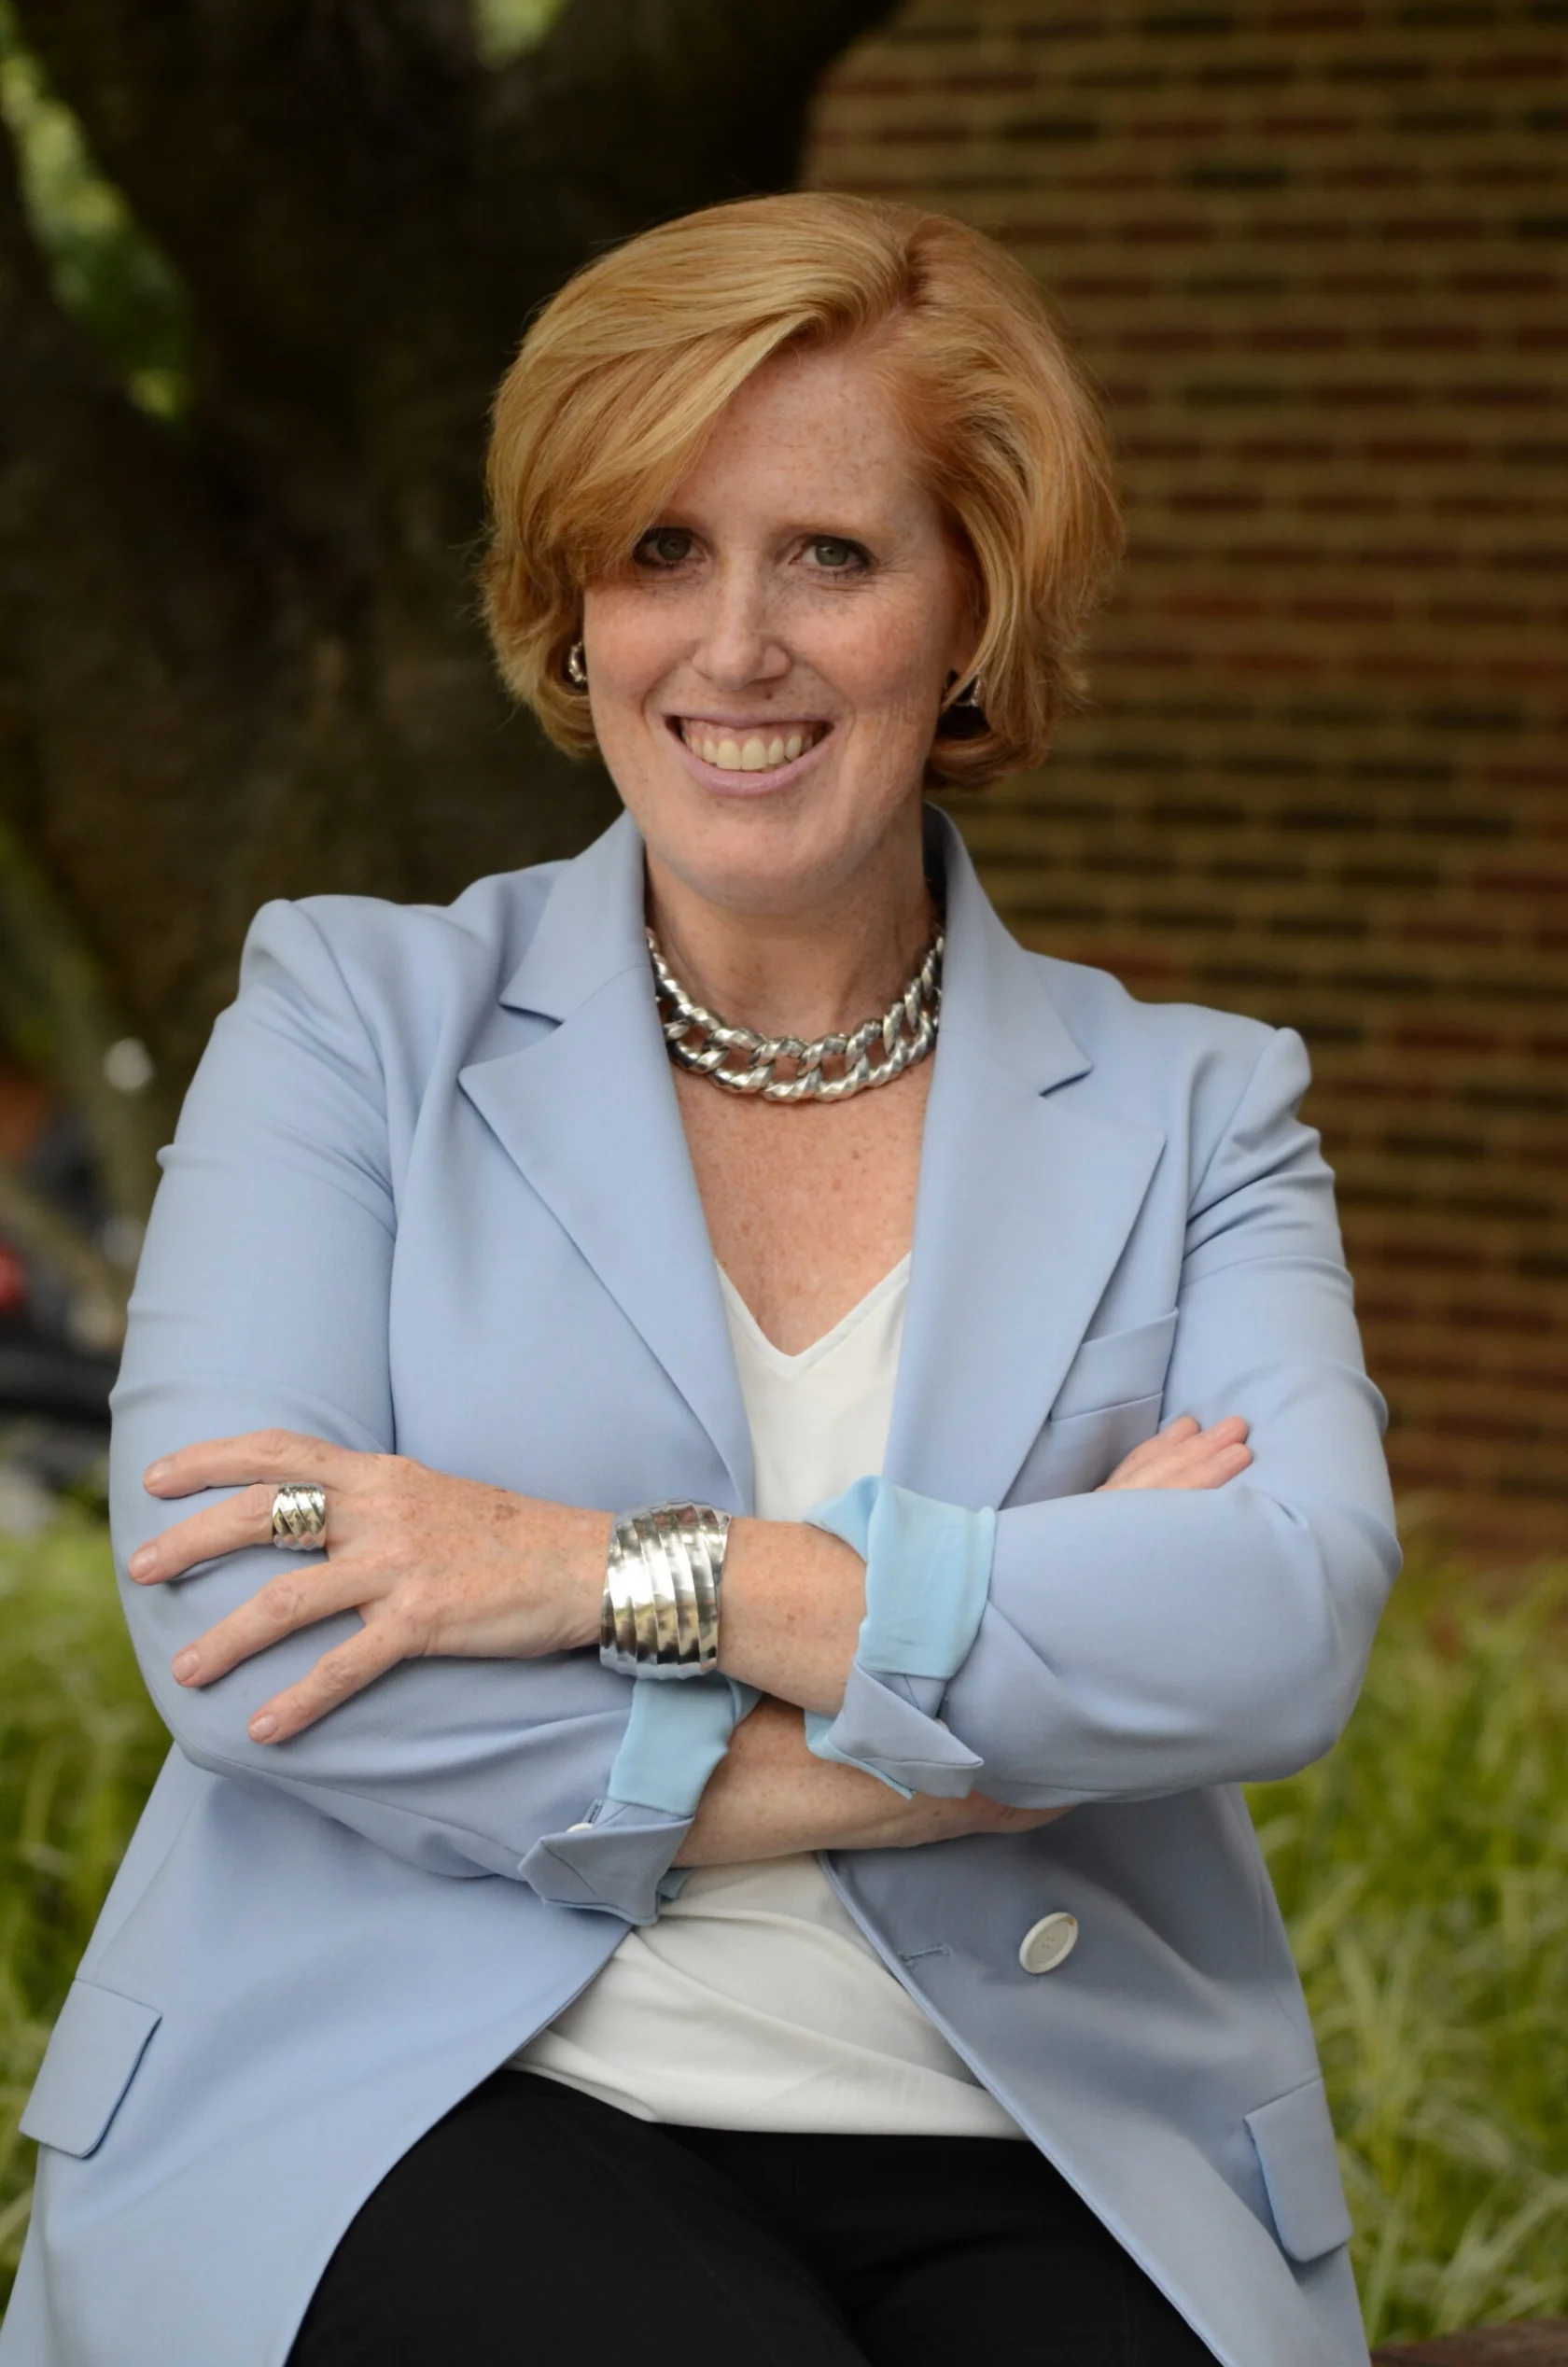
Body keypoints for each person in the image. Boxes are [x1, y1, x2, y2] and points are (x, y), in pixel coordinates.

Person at [4, 194, 1397, 2367]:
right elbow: (231, 1612)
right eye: (657, 548)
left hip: (1047, 2117)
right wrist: (974, 1716)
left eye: (830, 555)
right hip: (430, 2084)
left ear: (971, 610)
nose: (731, 643)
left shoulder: (1199, 1106)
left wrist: (589, 1565)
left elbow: (1282, 1617)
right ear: (569, 609)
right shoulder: (350, 1019)